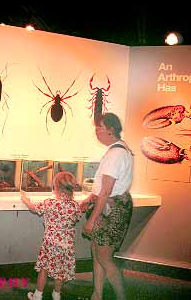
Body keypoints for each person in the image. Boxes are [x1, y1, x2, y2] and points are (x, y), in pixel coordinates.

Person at [80, 112, 134, 300]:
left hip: (112, 210)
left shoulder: (116, 154)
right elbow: (101, 188)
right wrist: (89, 199)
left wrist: (91, 220)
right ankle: (97, 295)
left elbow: (106, 191)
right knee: (96, 253)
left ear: (111, 130)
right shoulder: (117, 150)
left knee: (104, 257)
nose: (96, 132)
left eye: (99, 128)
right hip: (110, 206)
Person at [21, 171, 82, 300]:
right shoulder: (75, 205)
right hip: (67, 244)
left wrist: (25, 200)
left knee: (44, 269)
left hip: (51, 243)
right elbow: (77, 217)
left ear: (56, 187)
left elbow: (34, 208)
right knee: (61, 271)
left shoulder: (50, 203)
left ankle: (37, 295)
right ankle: (57, 294)